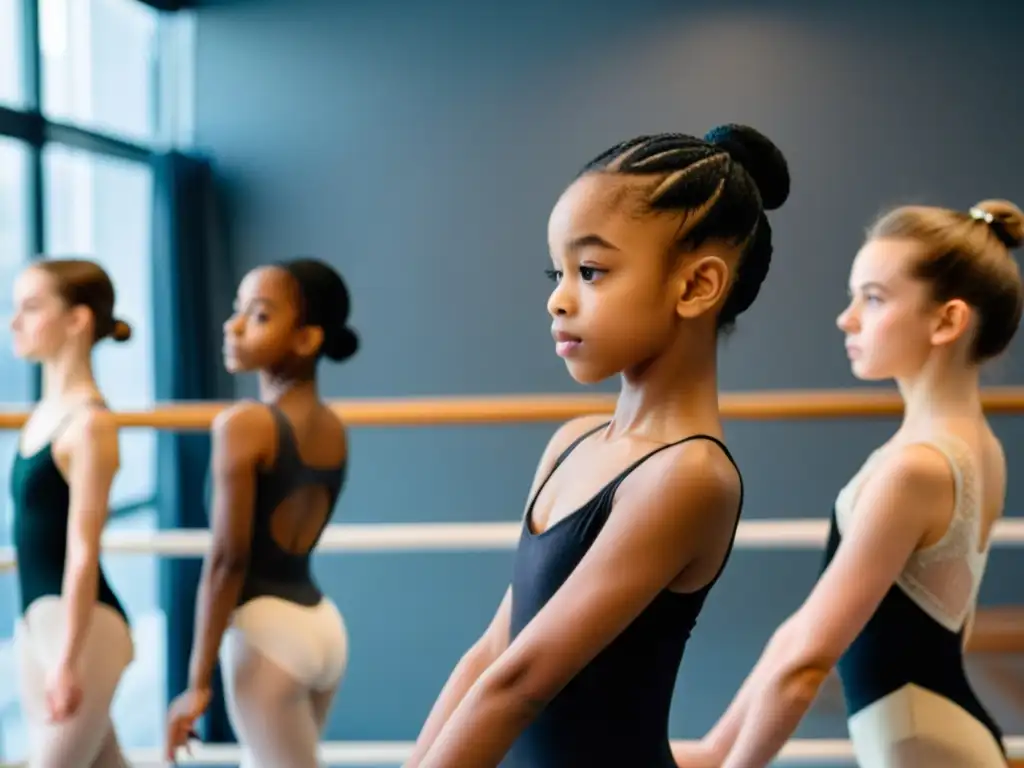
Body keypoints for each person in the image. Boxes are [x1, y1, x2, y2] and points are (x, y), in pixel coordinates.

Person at [406, 125, 791, 768]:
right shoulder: (572, 441)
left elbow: (523, 681)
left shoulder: (690, 476)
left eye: (590, 271)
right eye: (557, 272)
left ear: (697, 286)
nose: (558, 298)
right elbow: (493, 651)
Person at [676, 199, 1024, 768]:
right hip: (938, 737)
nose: (847, 318)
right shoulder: (977, 447)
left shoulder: (916, 469)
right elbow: (801, 633)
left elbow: (807, 665)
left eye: (874, 298)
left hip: (924, 749)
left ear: (947, 321)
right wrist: (718, 748)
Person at [164, 258, 359, 768]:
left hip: (267, 637)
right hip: (321, 627)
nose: (233, 326)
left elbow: (227, 560)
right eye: (237, 311)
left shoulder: (244, 424)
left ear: (306, 339)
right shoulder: (333, 426)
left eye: (259, 316)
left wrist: (196, 682)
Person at [10, 258, 134, 768]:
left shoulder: (89, 425)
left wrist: (66, 660)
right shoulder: (43, 414)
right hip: (38, 624)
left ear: (78, 320)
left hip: (82, 631)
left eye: (32, 308)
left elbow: (82, 551)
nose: (14, 322)